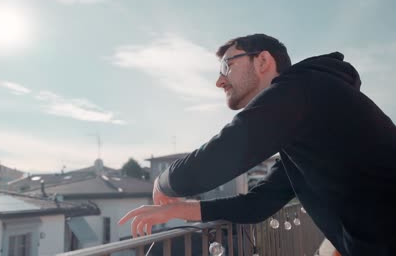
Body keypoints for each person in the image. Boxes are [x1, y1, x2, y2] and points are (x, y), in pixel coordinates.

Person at [119, 34, 396, 256]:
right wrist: (179, 210)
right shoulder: (305, 119)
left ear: (262, 61)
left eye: (227, 65)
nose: (219, 80)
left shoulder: (301, 88)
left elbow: (225, 152)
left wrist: (164, 180)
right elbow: (259, 204)